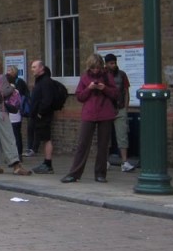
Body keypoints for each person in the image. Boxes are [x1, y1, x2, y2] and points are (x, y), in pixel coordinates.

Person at [62, 53, 118, 183]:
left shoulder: (107, 76)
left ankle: (100, 174)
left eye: (98, 68)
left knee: (103, 145)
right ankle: (74, 174)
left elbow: (115, 94)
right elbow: (80, 97)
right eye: (93, 68)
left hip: (105, 113)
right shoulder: (85, 77)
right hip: (89, 113)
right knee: (82, 144)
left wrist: (104, 88)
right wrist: (89, 88)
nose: (96, 70)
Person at [0, 60, 31, 176]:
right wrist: (12, 87)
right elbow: (4, 92)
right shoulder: (1, 78)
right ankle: (16, 165)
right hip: (1, 111)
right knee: (9, 138)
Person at [104, 54, 135, 172]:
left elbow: (126, 91)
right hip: (107, 108)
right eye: (111, 63)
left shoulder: (122, 75)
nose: (114, 65)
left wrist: (126, 107)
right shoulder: (103, 75)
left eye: (115, 62)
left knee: (122, 135)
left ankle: (124, 161)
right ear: (106, 64)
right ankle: (105, 161)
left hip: (120, 107)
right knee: (105, 136)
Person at [29, 60, 59, 174]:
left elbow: (47, 100)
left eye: (34, 67)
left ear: (41, 68)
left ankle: (48, 164)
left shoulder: (45, 82)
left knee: (47, 139)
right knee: (44, 139)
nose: (32, 69)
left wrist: (40, 113)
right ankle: (46, 163)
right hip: (39, 115)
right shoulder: (40, 81)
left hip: (44, 116)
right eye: (32, 67)